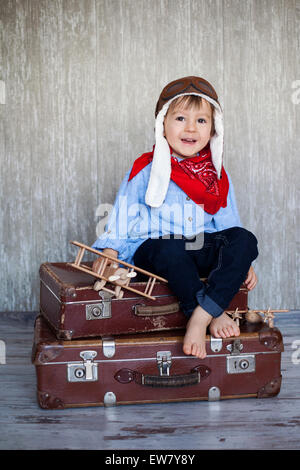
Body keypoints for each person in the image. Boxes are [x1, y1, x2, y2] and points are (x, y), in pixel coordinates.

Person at [92, 76, 258, 359]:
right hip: (157, 248)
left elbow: (228, 223)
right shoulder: (146, 168)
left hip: (197, 245)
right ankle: (207, 313)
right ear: (162, 124)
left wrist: (240, 261)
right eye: (180, 118)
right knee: (170, 247)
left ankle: (203, 314)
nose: (191, 128)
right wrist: (111, 249)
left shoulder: (214, 174)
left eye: (201, 121)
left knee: (245, 240)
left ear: (213, 129)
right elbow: (124, 210)